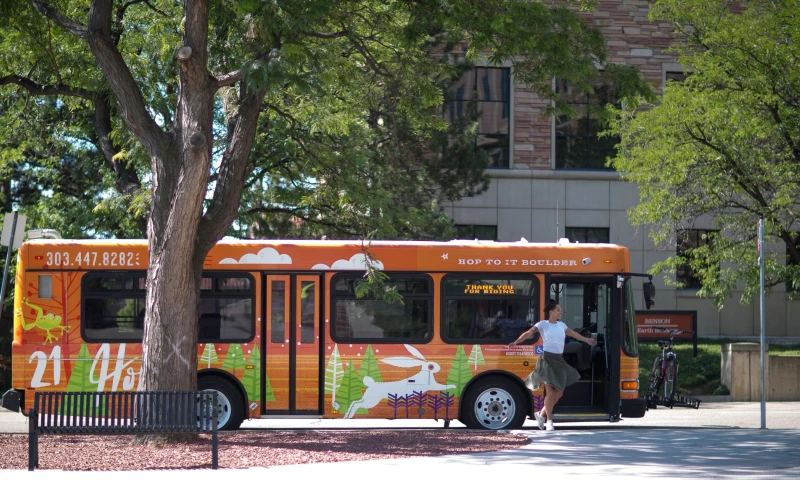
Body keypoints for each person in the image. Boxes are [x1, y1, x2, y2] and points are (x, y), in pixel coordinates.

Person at [508, 301, 597, 431]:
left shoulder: (562, 325)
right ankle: (549, 421)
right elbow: (529, 333)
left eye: (560, 310)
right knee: (550, 392)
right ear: (551, 312)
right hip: (547, 360)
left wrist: (587, 340)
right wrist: (516, 342)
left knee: (559, 392)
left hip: (559, 360)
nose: (560, 312)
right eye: (558, 310)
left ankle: (541, 414)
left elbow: (574, 334)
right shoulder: (543, 324)